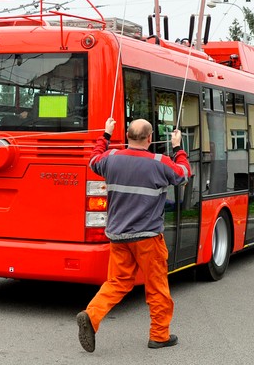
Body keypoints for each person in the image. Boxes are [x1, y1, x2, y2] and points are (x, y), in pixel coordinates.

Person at [76, 117, 190, 353]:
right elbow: (184, 174)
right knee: (157, 286)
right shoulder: (160, 162)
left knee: (117, 282)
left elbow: (93, 159)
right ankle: (159, 335)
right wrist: (178, 147)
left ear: (127, 136)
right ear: (150, 139)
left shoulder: (111, 159)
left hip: (118, 236)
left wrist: (106, 135)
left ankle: (91, 315)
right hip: (148, 237)